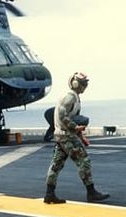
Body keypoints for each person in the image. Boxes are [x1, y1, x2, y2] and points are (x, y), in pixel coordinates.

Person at [44, 72, 110, 204]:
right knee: (84, 161)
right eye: (83, 83)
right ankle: (91, 193)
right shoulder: (70, 97)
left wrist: (81, 136)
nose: (85, 86)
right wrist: (75, 128)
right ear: (75, 83)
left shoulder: (75, 97)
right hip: (66, 136)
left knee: (56, 165)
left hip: (62, 135)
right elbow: (63, 117)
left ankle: (49, 194)